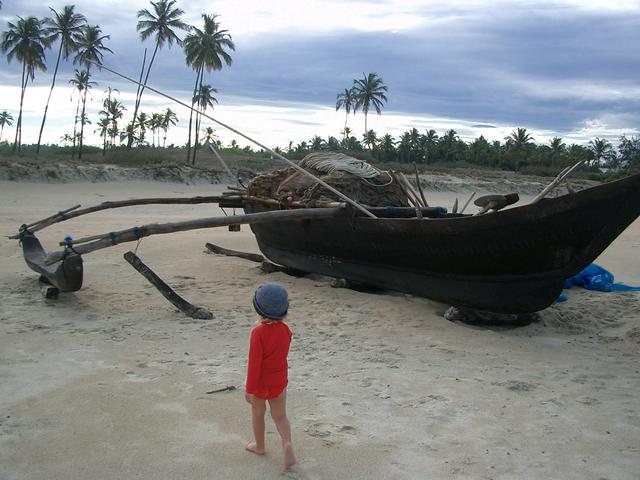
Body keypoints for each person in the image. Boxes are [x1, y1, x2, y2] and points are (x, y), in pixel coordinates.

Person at [245, 282, 296, 469]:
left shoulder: (257, 333)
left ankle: (260, 446)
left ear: (258, 309)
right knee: (280, 416)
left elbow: (254, 365)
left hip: (260, 384)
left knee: (258, 414)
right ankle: (287, 443)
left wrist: (249, 390)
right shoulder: (286, 330)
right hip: (279, 382)